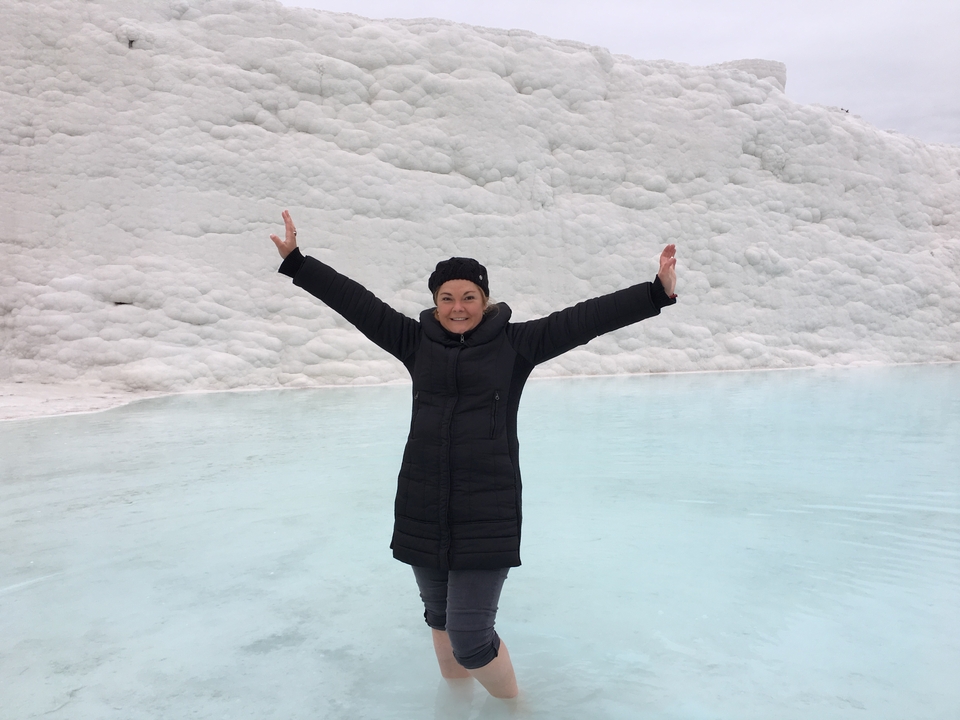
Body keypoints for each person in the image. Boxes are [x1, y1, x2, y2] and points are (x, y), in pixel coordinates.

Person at [269, 210, 677, 699]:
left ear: (485, 300)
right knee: (439, 619)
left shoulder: (516, 344)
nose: (457, 307)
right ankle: (457, 704)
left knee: (471, 639)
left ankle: (515, 709)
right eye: (447, 298)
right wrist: (298, 263)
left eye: (468, 297)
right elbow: (358, 304)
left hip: (487, 509)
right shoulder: (414, 341)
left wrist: (655, 292)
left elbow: (582, 320)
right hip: (423, 504)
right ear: (435, 302)